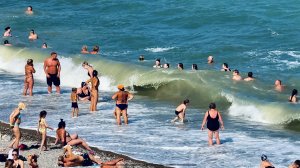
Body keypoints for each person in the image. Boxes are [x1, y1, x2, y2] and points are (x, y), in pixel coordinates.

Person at [57, 145, 124, 167]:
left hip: (85, 160)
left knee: (101, 164)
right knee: (101, 163)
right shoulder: (70, 156)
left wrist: (63, 156)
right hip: (86, 157)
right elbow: (68, 147)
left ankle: (116, 163)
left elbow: (64, 165)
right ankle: (117, 163)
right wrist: (64, 152)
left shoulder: (68, 161)